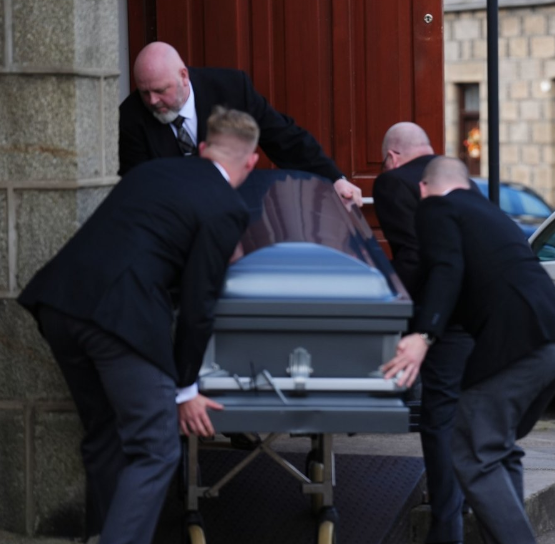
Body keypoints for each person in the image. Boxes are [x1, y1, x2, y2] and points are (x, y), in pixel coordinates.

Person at [17, 107, 260, 543]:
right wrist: (185, 389)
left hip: (59, 303)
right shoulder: (226, 206)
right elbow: (198, 303)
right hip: (120, 320)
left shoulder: (153, 173)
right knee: (156, 448)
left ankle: (99, 535)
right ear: (252, 161)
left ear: (203, 149)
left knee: (106, 434)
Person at [381, 157, 555, 544]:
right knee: (496, 447)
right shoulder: (491, 216)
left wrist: (423, 335)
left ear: (424, 189)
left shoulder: (437, 208)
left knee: (471, 450)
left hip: (521, 342)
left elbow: (446, 268)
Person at [372, 123, 474, 544]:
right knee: (464, 414)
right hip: (479, 313)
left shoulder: (393, 182)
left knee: (437, 417)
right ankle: (461, 501)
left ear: (393, 156)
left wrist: (393, 308)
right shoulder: (459, 181)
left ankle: (446, 522)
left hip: (441, 318)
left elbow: (414, 256)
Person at [119, 41, 362, 207]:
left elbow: (285, 138)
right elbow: (139, 185)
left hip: (237, 217)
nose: (152, 101)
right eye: (144, 92)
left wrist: (334, 179)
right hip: (171, 226)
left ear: (184, 76)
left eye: (161, 90)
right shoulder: (132, 115)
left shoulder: (232, 88)